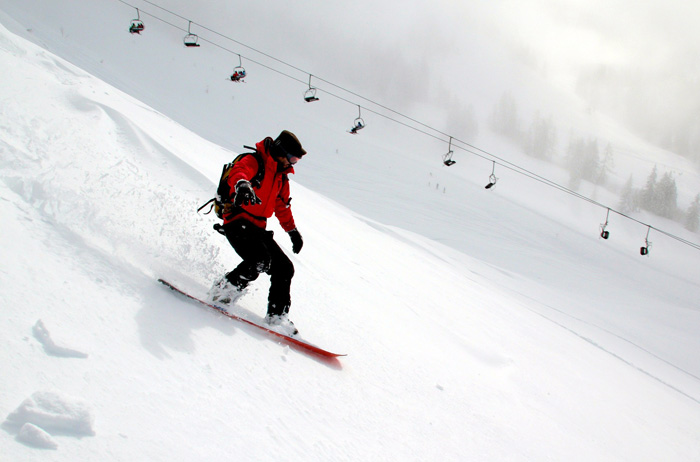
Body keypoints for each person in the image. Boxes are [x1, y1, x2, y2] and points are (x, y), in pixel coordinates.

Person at [208, 130, 306, 336]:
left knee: (284, 268)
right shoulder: (254, 161)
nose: (293, 163)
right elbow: (239, 172)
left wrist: (292, 231)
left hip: (258, 228)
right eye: (292, 158)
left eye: (296, 160)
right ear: (280, 150)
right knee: (258, 260)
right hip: (237, 221)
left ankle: (276, 316)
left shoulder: (281, 177)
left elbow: (282, 207)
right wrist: (242, 184)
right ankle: (222, 292)